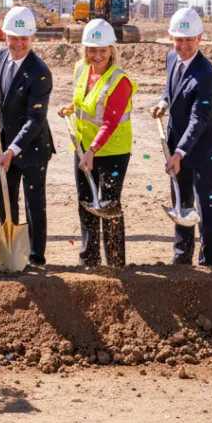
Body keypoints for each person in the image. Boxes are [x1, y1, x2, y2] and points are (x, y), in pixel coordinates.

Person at [150, 8, 212, 266]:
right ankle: (182, 258)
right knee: (181, 202)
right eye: (178, 39)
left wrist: (179, 153)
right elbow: (169, 88)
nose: (182, 45)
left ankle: (209, 261)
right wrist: (163, 102)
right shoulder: (172, 57)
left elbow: (198, 120)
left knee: (206, 205)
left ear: (200, 38)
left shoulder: (207, 76)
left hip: (204, 149)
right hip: (178, 147)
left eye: (188, 40)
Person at [58, 19, 135, 267]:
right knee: (87, 203)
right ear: (85, 49)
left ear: (112, 49)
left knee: (109, 205)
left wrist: (93, 150)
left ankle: (115, 262)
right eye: (92, 49)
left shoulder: (119, 81)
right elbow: (85, 102)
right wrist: (71, 107)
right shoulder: (81, 68)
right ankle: (89, 258)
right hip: (83, 148)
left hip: (112, 151)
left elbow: (109, 123)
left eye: (102, 50)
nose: (97, 55)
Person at [0, 6, 54, 268]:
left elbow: (35, 121)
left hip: (32, 147)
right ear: (5, 36)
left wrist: (12, 150)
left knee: (34, 202)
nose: (19, 43)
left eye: (24, 38)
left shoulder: (40, 72)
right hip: (2, 143)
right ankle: (10, 253)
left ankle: (36, 258)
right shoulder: (0, 54)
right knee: (5, 198)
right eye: (14, 37)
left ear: (32, 38)